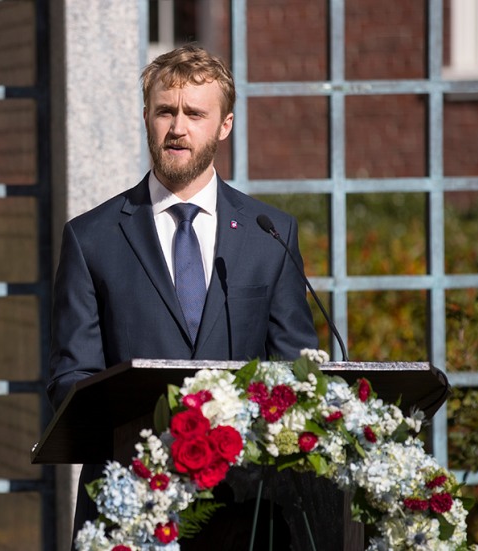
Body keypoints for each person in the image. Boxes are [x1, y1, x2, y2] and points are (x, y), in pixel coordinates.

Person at [47, 44, 319, 546]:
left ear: (225, 125)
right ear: (146, 117)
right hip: (130, 508)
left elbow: (298, 376)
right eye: (165, 111)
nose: (178, 127)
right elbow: (70, 381)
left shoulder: (270, 234)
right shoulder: (91, 238)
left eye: (195, 113)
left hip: (247, 513)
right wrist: (153, 435)